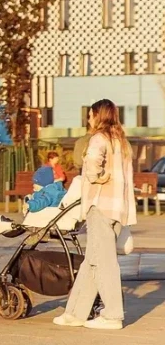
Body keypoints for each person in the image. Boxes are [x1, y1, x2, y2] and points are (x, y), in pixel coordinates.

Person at [54, 99, 137, 330]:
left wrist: (96, 177)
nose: (88, 119)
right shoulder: (122, 141)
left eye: (90, 115)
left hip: (100, 206)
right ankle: (75, 313)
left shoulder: (99, 139)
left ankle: (112, 315)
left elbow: (92, 165)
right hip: (118, 208)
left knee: (104, 262)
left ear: (96, 115)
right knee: (92, 261)